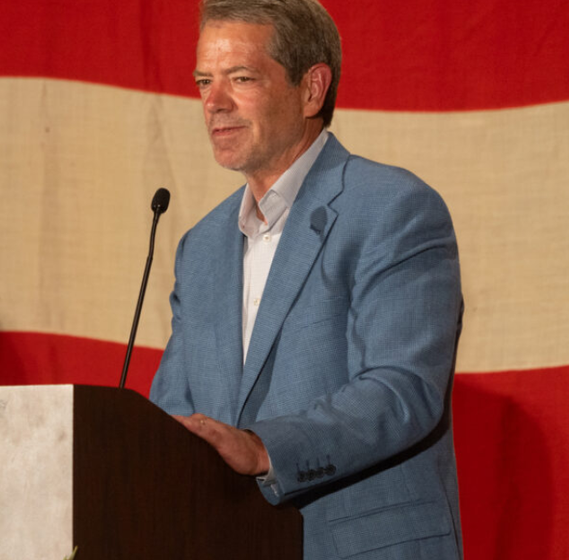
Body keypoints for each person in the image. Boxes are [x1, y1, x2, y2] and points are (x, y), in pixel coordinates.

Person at [148, 1, 464, 558]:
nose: (213, 103)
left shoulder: (393, 209)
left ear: (312, 89)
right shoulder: (200, 248)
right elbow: (177, 419)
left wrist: (265, 448)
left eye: (240, 78)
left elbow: (401, 390)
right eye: (204, 81)